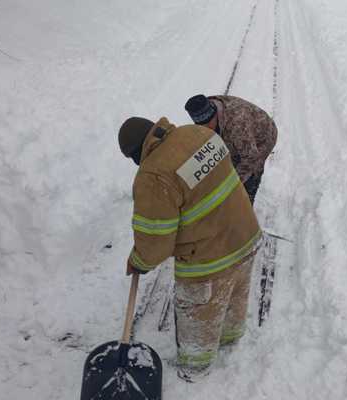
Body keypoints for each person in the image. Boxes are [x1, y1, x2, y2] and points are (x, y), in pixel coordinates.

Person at [117, 116, 261, 382]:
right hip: (246, 235)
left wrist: (139, 261)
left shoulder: (153, 174)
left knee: (200, 312)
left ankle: (195, 369)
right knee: (235, 294)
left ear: (135, 153)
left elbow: (156, 241)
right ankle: (230, 340)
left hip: (210, 261)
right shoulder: (196, 133)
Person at [184, 94, 277, 205]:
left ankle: (247, 203)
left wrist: (230, 185)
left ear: (215, 115)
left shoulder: (237, 125)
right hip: (242, 131)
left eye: (209, 125)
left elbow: (252, 158)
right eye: (202, 126)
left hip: (263, 136)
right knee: (232, 161)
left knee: (250, 173)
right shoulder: (205, 105)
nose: (207, 129)